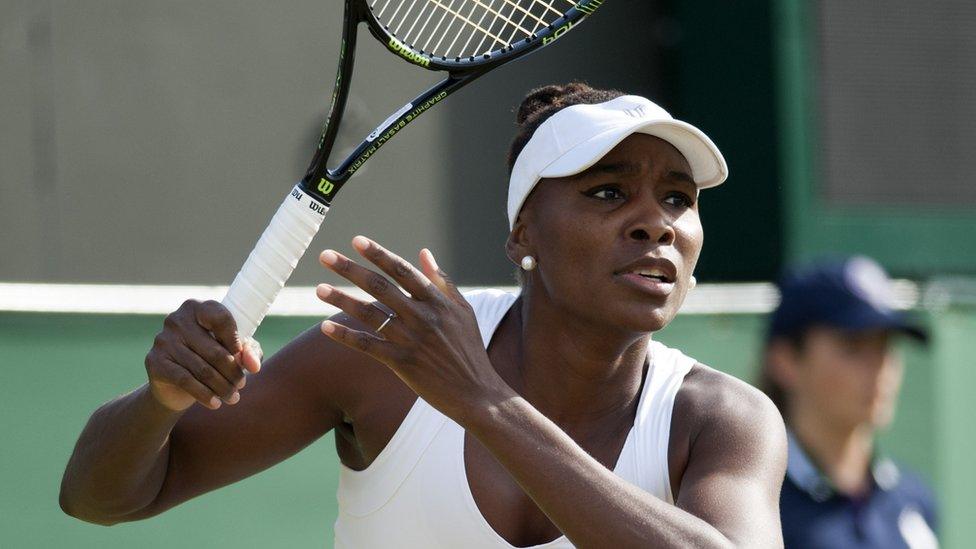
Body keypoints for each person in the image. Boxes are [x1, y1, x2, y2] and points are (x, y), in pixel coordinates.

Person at [60, 83, 787, 548]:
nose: (654, 223)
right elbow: (97, 496)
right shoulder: (379, 355)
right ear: (522, 234)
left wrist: (486, 400)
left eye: (678, 198)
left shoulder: (724, 419)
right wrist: (161, 399)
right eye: (606, 192)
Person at [759, 257, 939, 548]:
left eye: (885, 346)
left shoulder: (914, 499)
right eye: (853, 347)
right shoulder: (753, 502)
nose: (880, 368)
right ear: (785, 360)